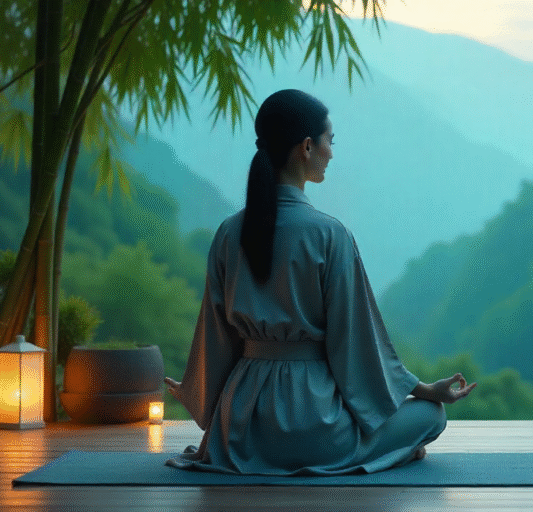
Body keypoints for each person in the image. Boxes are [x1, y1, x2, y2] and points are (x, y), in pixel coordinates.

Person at [164, 89, 476, 475]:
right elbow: (356, 343)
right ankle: (382, 453)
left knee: (411, 421)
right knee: (431, 416)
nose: (332, 152)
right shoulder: (330, 235)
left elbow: (216, 335)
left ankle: (371, 453)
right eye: (330, 141)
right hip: (315, 425)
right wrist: (424, 390)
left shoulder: (229, 233)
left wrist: (195, 389)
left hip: (240, 427)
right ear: (307, 147)